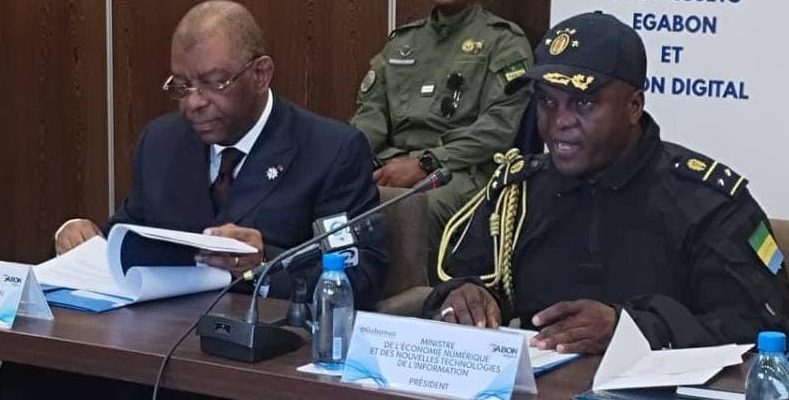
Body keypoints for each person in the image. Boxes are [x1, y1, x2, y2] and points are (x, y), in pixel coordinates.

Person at [424, 11, 789, 354]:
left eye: (583, 104)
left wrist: (634, 330)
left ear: (634, 106)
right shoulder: (518, 192)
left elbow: (762, 327)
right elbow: (461, 279)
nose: (559, 122)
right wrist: (465, 298)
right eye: (547, 102)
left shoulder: (710, 203)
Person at [53, 0, 387, 310]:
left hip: (268, 342)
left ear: (260, 75)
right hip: (161, 335)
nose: (193, 103)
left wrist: (264, 265)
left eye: (214, 83)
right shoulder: (161, 142)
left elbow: (361, 277)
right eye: (182, 85)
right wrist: (80, 236)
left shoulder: (332, 151)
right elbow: (127, 236)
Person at [350, 0, 532, 282]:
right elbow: (371, 113)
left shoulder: (503, 41)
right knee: (340, 192)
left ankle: (418, 300)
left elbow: (497, 128)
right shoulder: (403, 42)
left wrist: (425, 163)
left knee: (417, 209)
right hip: (391, 162)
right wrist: (348, 157)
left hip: (460, 168)